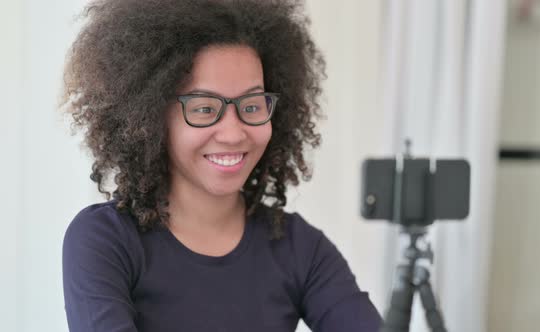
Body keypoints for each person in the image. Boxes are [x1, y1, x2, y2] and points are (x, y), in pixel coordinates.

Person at [61, 0, 383, 331]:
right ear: (152, 118)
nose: (232, 133)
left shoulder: (299, 248)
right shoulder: (105, 241)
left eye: (253, 105)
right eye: (204, 108)